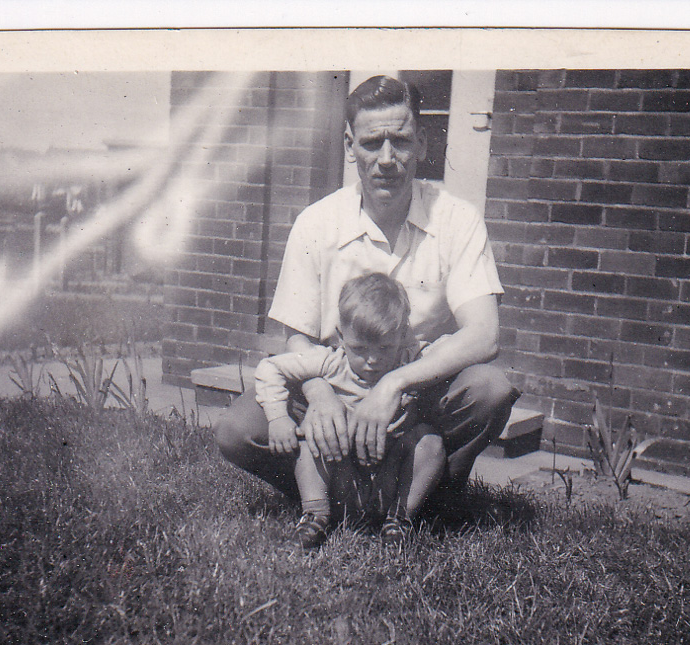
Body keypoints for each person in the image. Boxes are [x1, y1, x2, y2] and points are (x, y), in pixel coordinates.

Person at [215, 74, 520, 510]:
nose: (387, 159)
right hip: (336, 383)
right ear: (349, 146)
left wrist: (395, 384)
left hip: (419, 394)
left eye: (401, 140)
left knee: (489, 389)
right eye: (372, 142)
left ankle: (425, 501)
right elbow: (296, 336)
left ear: (423, 144)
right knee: (239, 429)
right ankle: (333, 495)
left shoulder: (457, 219)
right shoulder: (317, 223)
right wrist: (321, 398)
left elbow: (484, 335)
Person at [254, 272, 446, 549]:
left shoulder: (411, 360)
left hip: (389, 475)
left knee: (430, 442)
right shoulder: (331, 362)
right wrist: (278, 417)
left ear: (403, 335)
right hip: (339, 472)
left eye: (384, 347)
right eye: (359, 348)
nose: (372, 360)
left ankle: (399, 520)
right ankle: (315, 515)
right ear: (341, 336)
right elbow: (270, 367)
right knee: (308, 438)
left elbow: (449, 350)